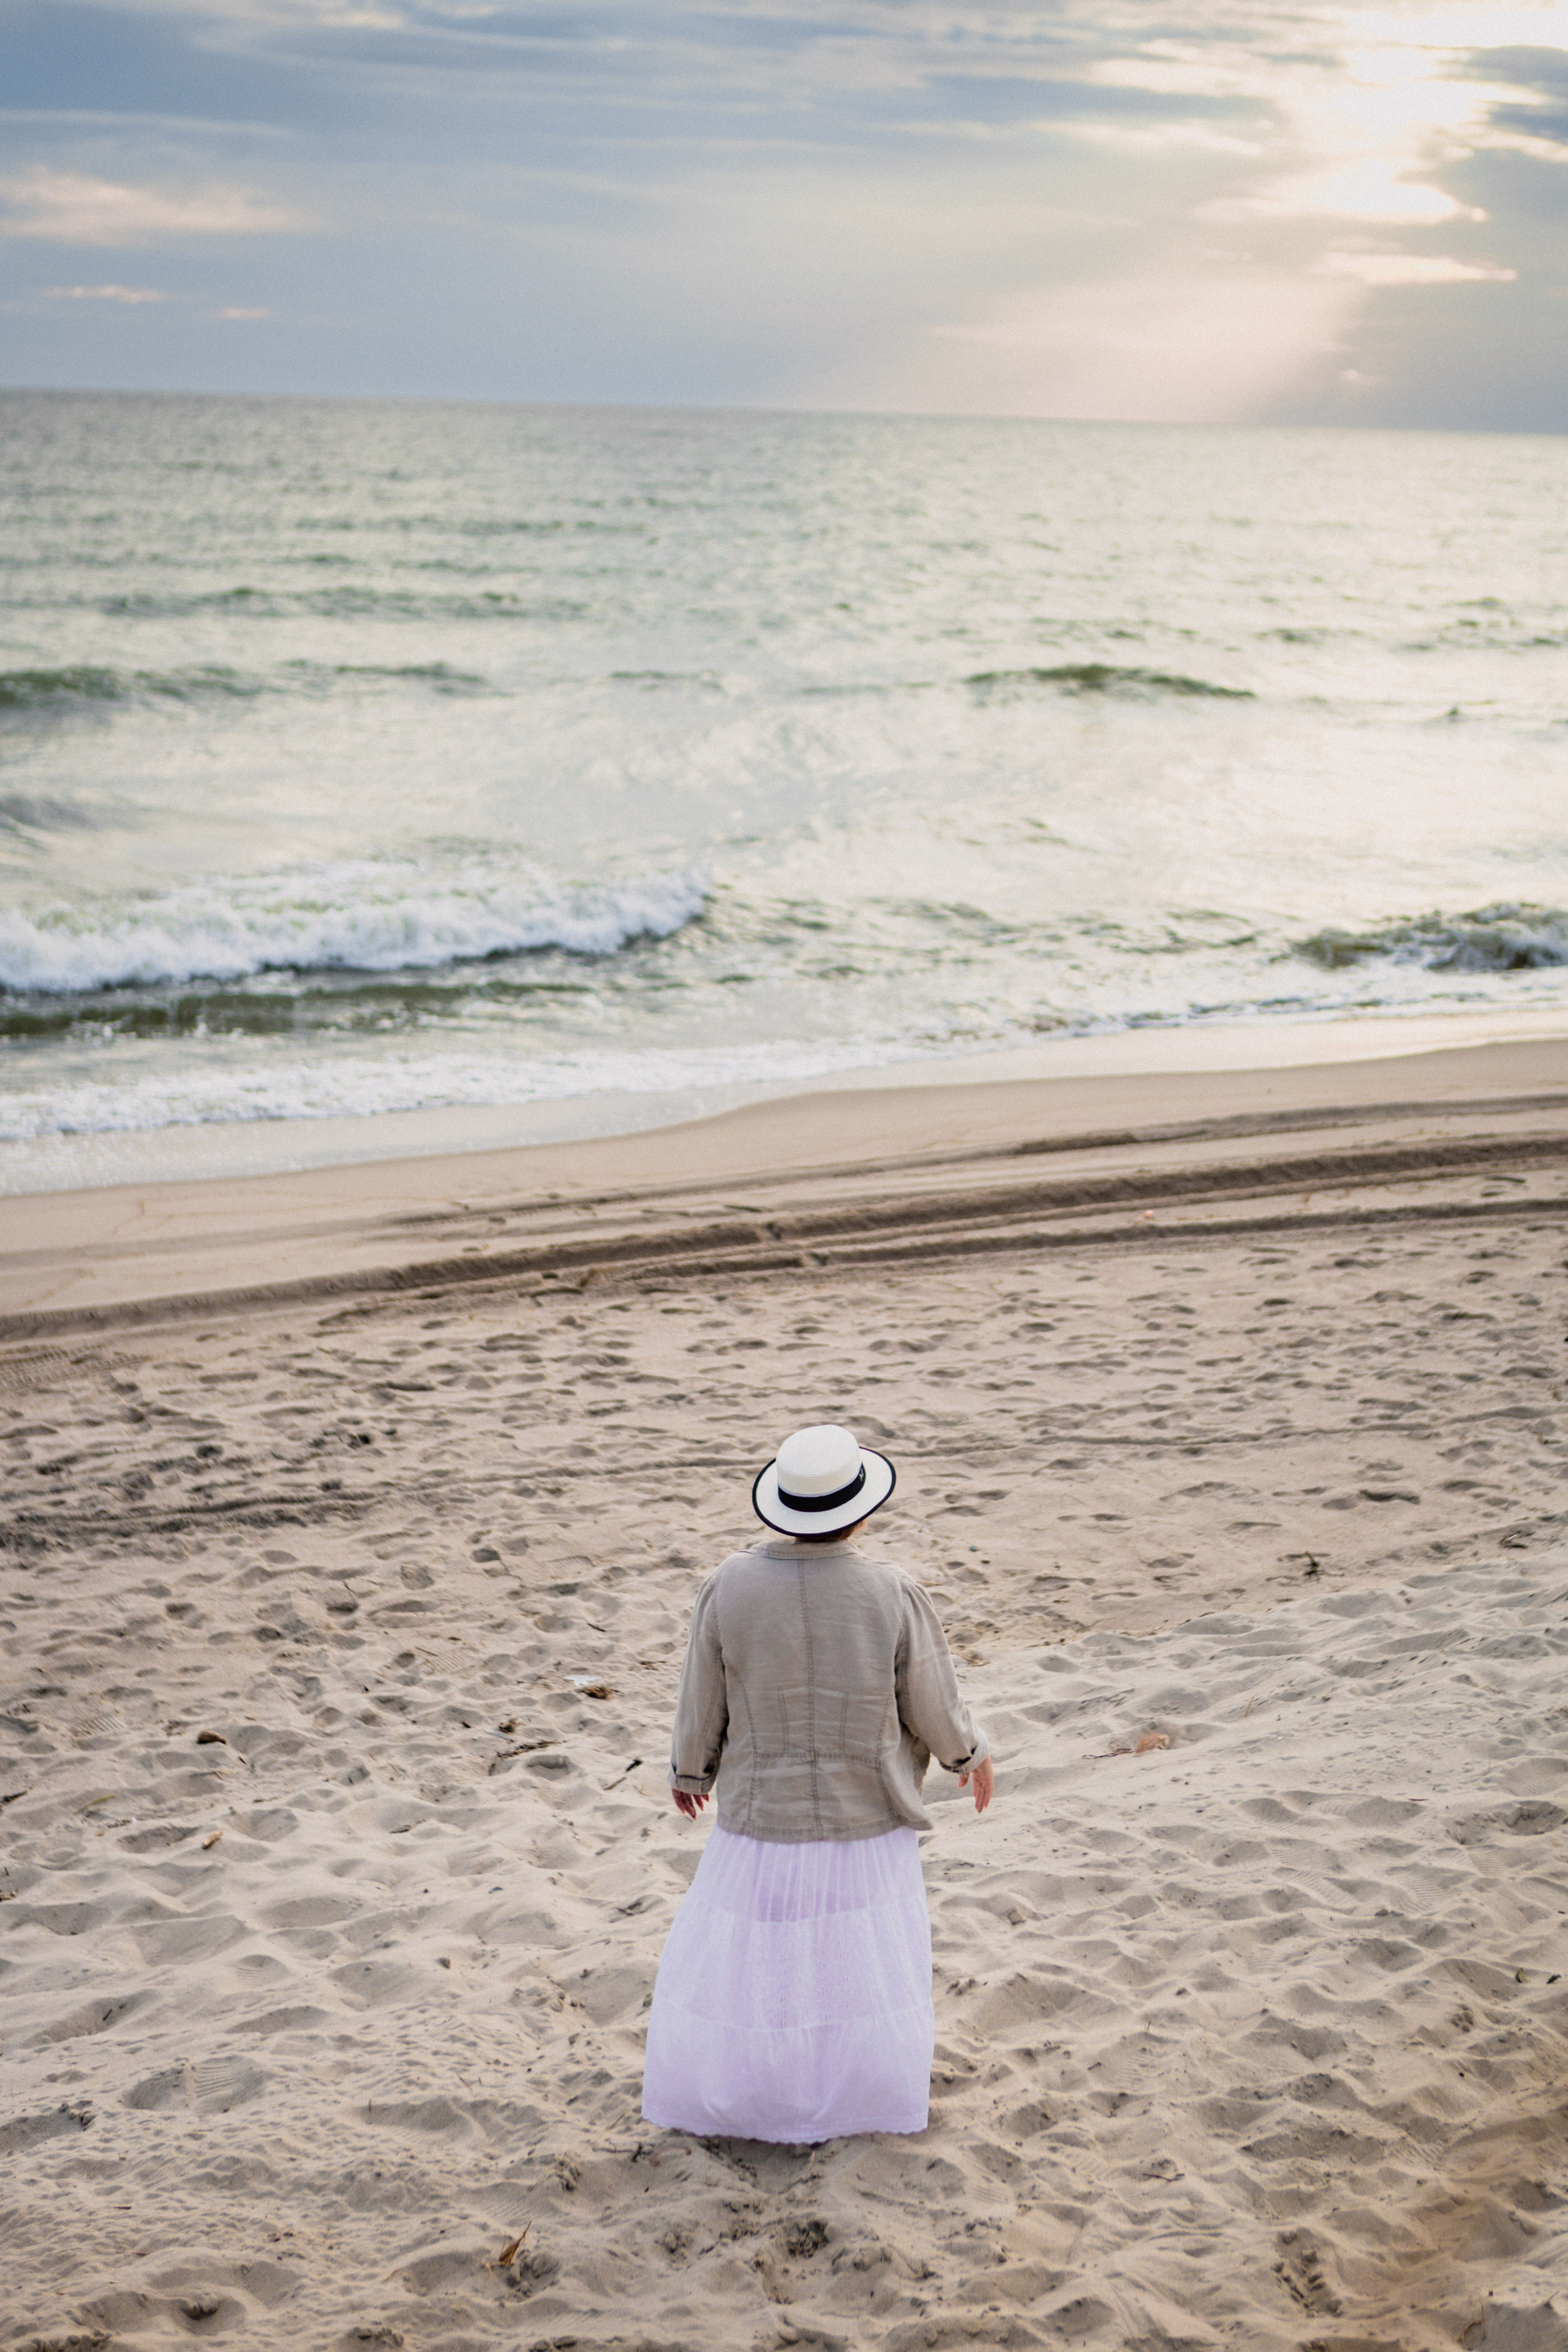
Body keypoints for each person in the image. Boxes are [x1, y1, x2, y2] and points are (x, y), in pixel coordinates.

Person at [641, 1420, 993, 2144]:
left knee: (763, 1956)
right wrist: (968, 1755)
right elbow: (928, 1695)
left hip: (760, 1814)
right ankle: (849, 2095)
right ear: (859, 1509)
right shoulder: (891, 1591)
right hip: (864, 1810)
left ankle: (762, 2091)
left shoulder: (728, 1586)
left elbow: (701, 1695)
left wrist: (690, 1768)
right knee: (854, 1958)